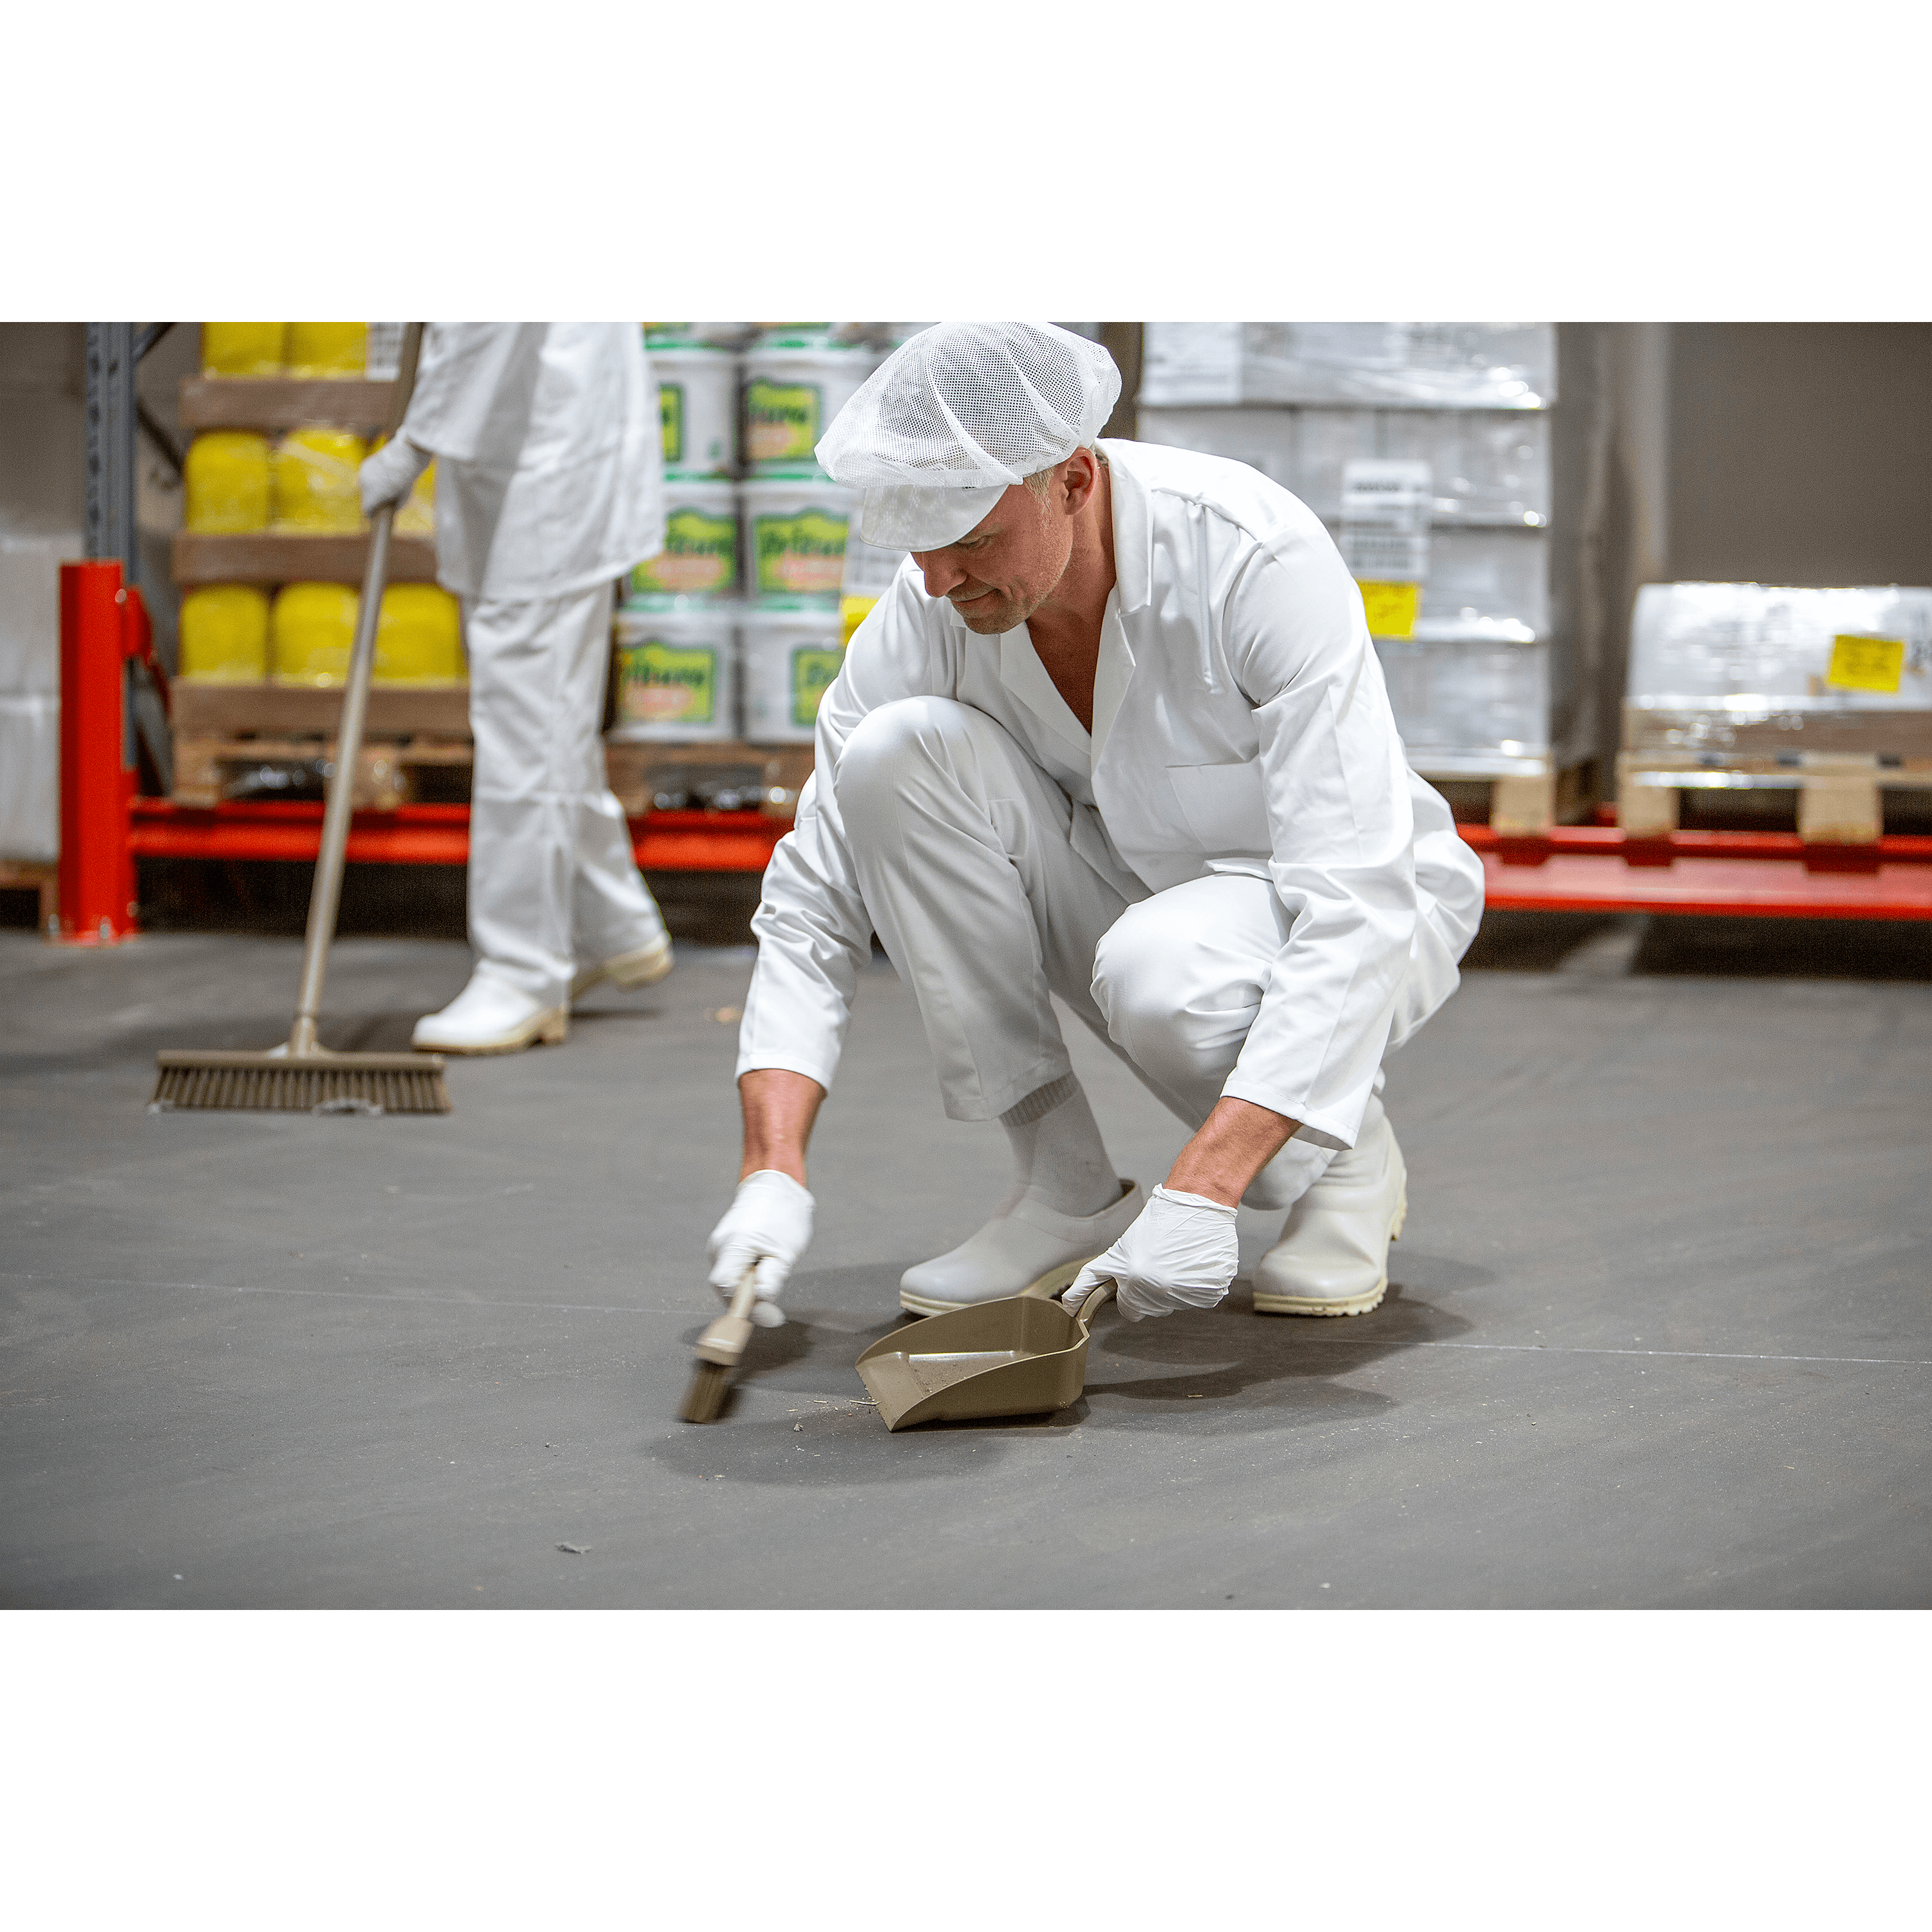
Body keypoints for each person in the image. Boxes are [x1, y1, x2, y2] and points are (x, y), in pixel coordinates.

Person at [705, 322, 1483, 1332]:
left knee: (1165, 972)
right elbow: (812, 897)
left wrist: (1201, 1190)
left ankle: (1342, 1159)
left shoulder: (1251, 555)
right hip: (1134, 896)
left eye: (974, 540)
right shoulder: (934, 600)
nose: (940, 580)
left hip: (1329, 905)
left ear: (1071, 480)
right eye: (918, 545)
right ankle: (1065, 1186)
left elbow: (1354, 893)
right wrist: (772, 1169)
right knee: (894, 755)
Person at [358, 323, 675, 1056]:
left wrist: (414, 443)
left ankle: (522, 972)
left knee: (525, 724)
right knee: (548, 716)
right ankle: (610, 925)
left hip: (546, 463)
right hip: (536, 442)